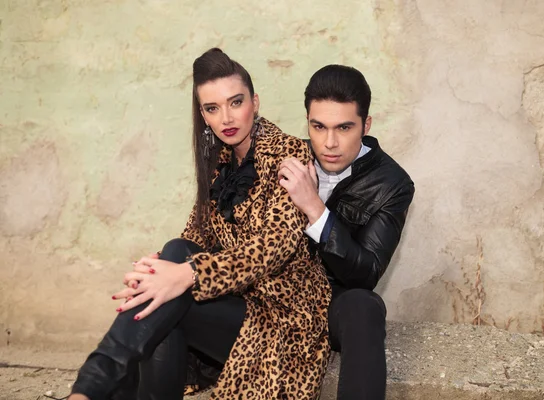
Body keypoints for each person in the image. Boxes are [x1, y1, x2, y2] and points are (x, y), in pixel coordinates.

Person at [69, 48, 331, 400]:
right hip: (236, 305)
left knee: (172, 293)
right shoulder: (219, 162)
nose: (226, 117)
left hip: (284, 321)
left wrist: (189, 274)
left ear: (254, 102)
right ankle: (91, 389)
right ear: (203, 116)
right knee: (169, 269)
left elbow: (274, 248)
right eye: (212, 108)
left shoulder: (290, 154)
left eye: (235, 102)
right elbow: (193, 237)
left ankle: (89, 389)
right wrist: (160, 267)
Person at [278, 65, 415, 400]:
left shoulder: (392, 184)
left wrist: (315, 208)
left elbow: (365, 273)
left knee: (365, 306)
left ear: (366, 125)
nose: (330, 142)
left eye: (344, 127)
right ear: (308, 121)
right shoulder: (287, 157)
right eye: (318, 126)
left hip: (334, 307)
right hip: (274, 305)